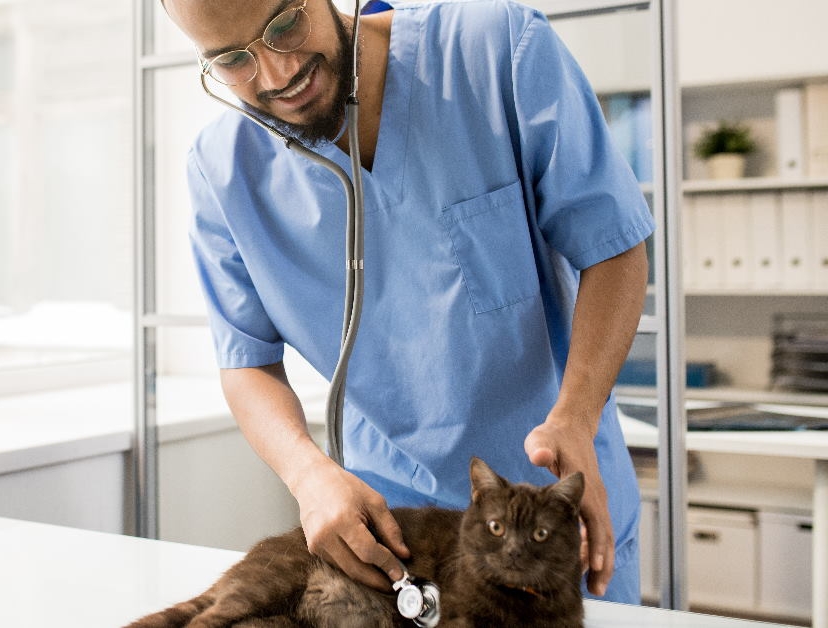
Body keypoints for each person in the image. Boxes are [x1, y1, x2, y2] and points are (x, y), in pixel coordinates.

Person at [162, 0, 654, 604]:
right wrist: (308, 475)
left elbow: (613, 249)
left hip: (544, 524)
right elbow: (246, 361)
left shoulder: (494, 51)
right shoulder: (222, 173)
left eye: (284, 25)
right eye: (231, 60)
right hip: (397, 543)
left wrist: (577, 413)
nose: (274, 74)